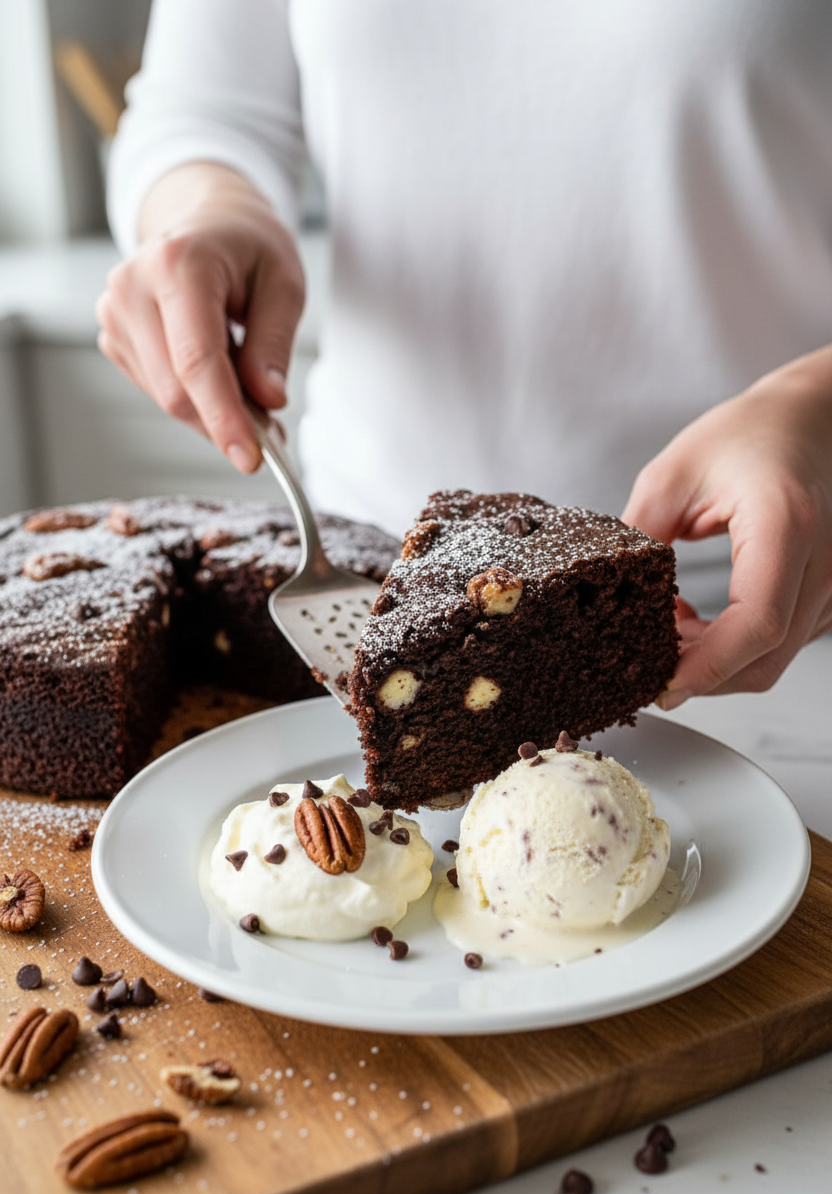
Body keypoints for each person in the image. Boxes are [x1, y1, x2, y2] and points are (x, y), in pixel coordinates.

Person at [98, 0, 832, 711]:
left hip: (765, 612)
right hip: (373, 593)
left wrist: (816, 403)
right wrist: (210, 211)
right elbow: (204, 110)